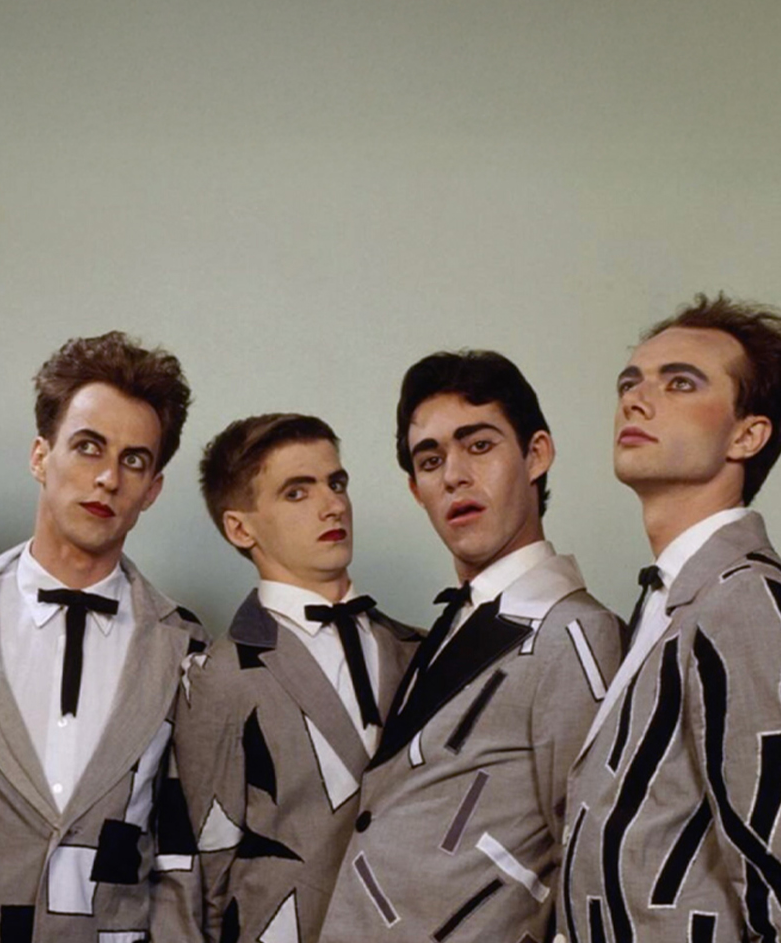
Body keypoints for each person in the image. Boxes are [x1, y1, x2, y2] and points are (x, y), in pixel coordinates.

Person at [0, 332, 207, 942]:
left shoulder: (184, 647)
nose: (107, 479)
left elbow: (180, 857)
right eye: (88, 448)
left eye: (134, 461)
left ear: (153, 489)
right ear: (41, 456)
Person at [321, 350, 622, 943]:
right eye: (430, 460)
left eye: (478, 445)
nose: (454, 474)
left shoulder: (575, 634)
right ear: (415, 489)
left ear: (536, 454)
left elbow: (592, 863)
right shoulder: (449, 626)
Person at [151, 413, 420, 943]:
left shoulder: (423, 650)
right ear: (240, 527)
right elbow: (200, 867)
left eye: (335, 482)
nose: (332, 504)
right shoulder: (217, 678)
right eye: (297, 492)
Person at [562, 295, 781, 943]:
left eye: (680, 383)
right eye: (630, 382)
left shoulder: (746, 603)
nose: (636, 399)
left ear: (748, 433)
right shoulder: (670, 602)